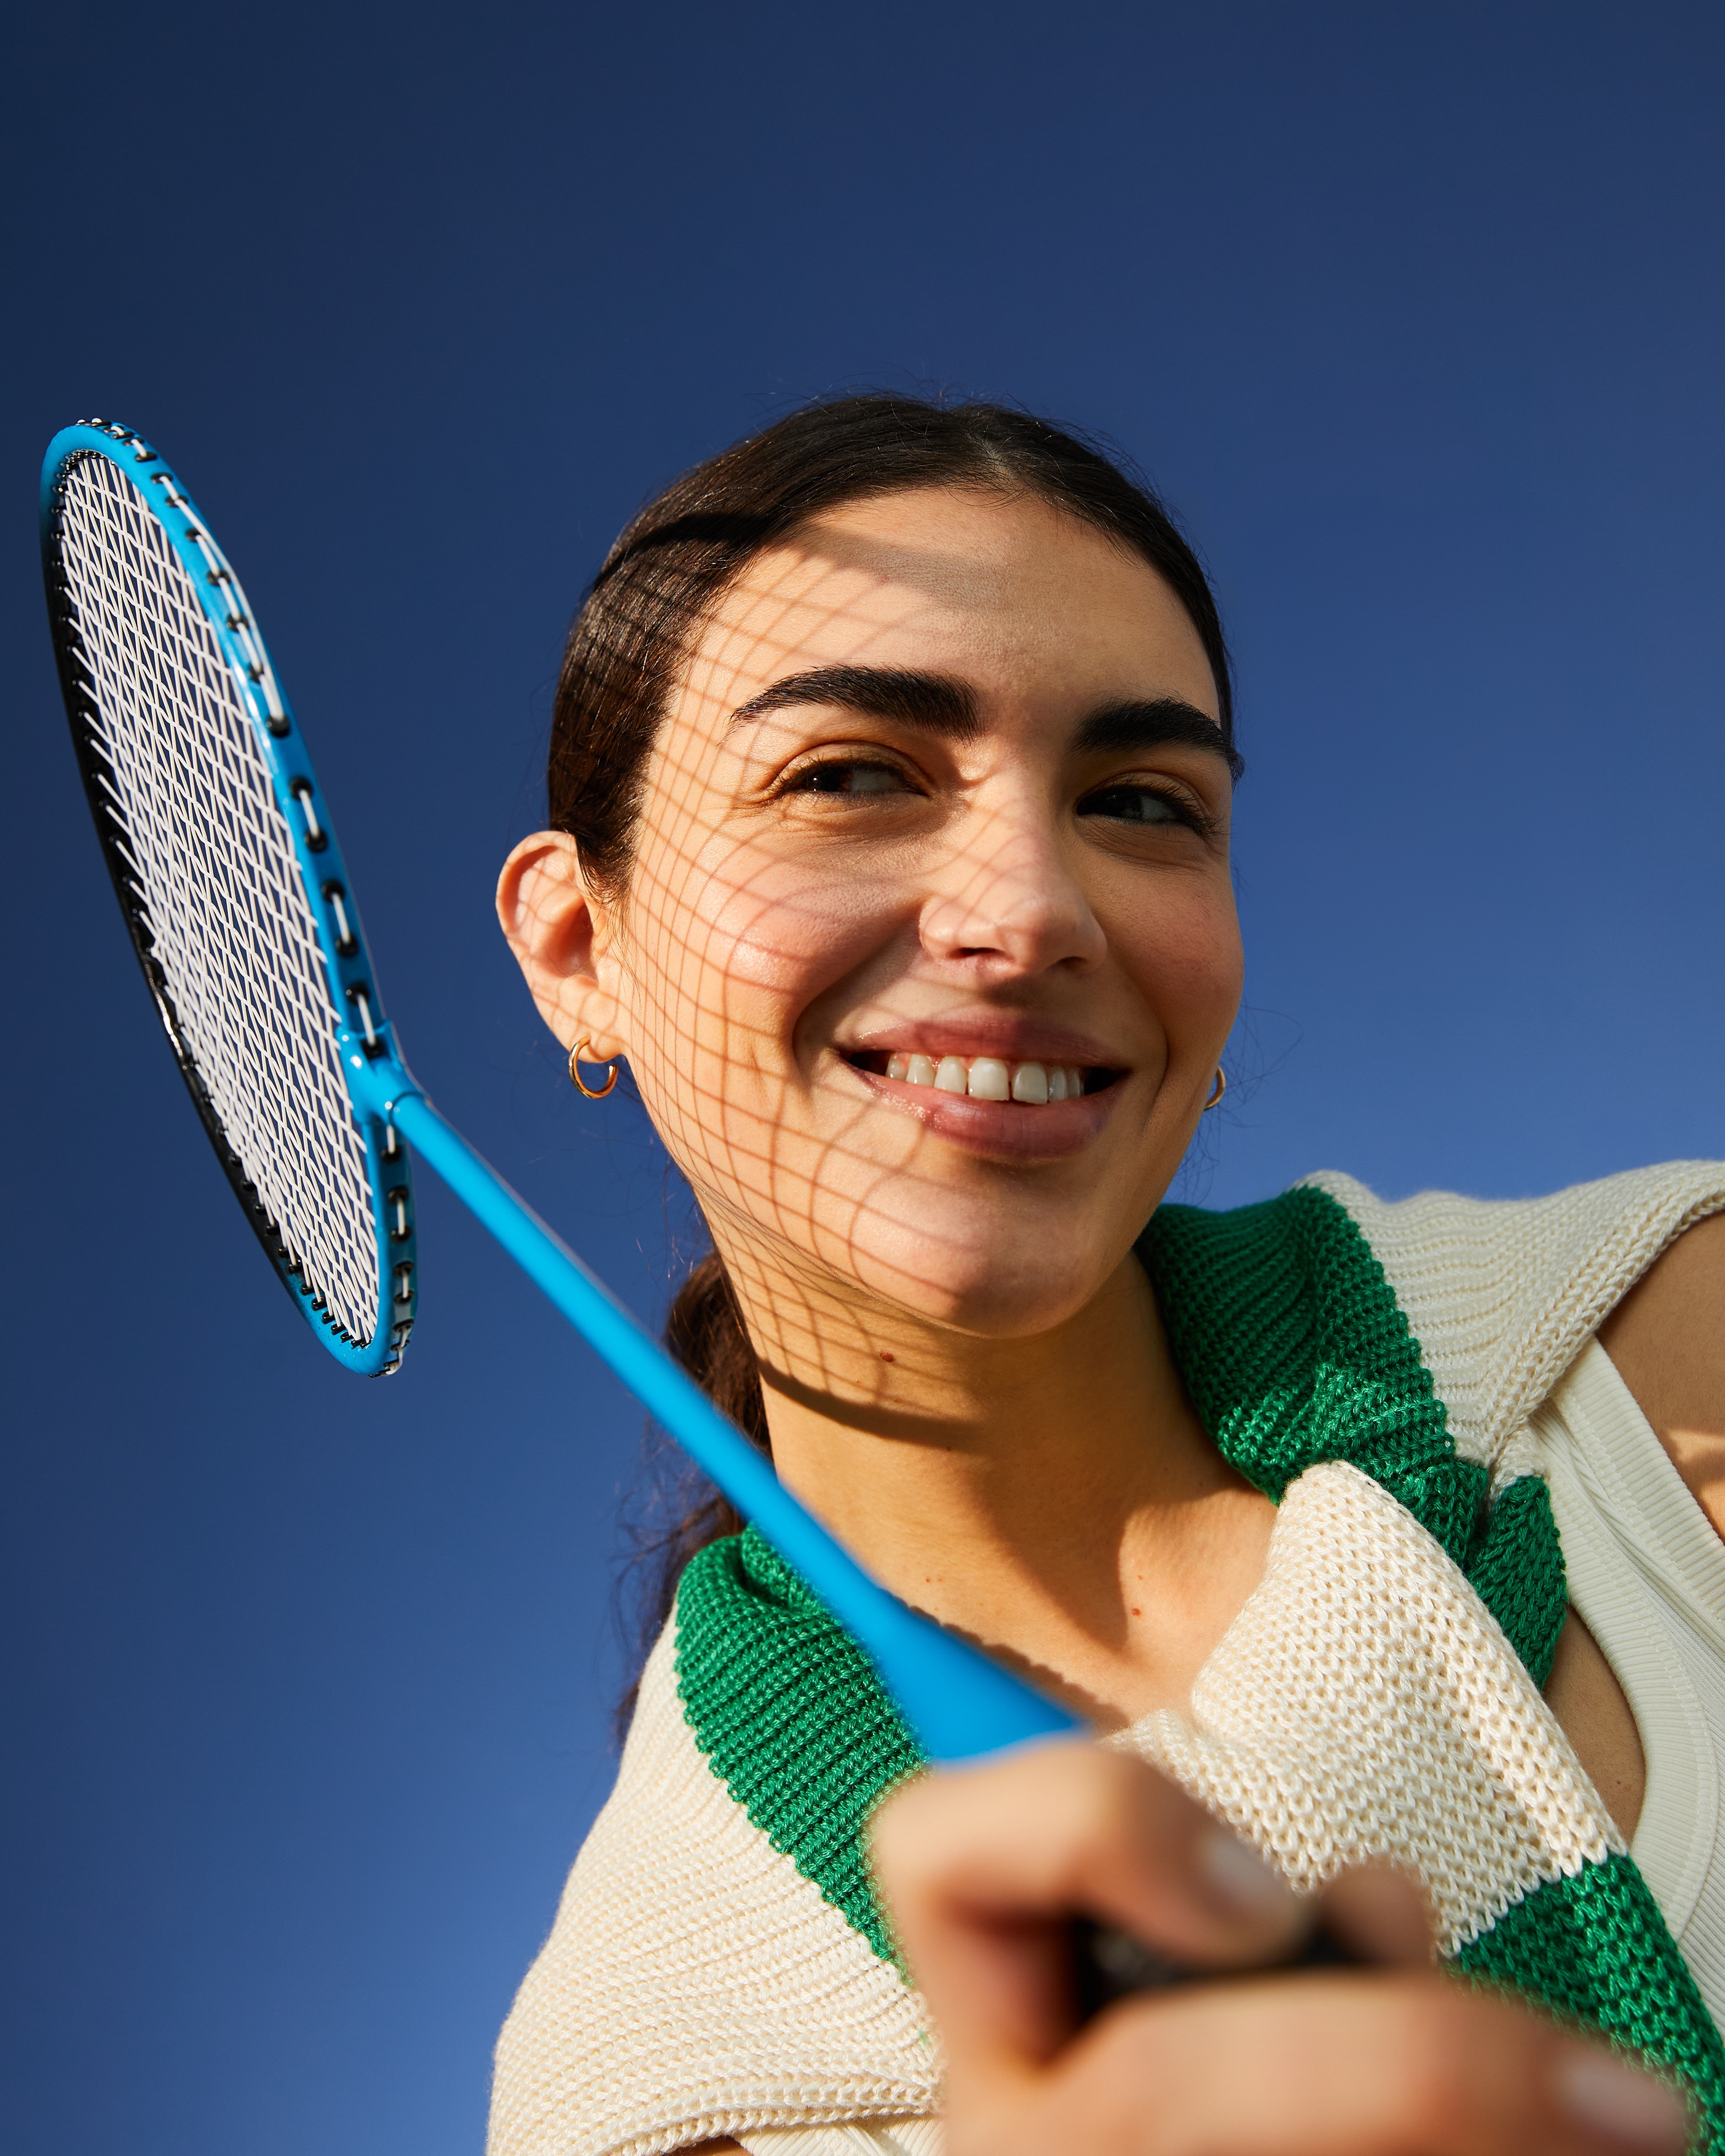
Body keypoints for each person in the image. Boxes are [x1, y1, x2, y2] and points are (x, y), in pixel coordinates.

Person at [485, 393, 1725, 2156]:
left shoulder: (1668, 1343)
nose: (1030, 903)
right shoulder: (658, 2076)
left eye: (1142, 800)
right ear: (577, 943)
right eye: (851, 776)